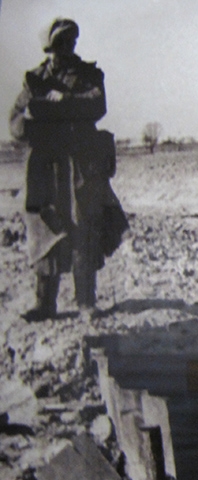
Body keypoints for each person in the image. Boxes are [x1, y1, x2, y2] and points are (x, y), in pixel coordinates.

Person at [9, 18, 127, 321]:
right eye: (58, 44)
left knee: (82, 226)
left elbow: (97, 105)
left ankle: (85, 301)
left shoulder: (88, 74)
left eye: (69, 42)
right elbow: (15, 117)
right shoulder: (34, 78)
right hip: (45, 166)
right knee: (45, 227)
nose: (64, 49)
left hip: (78, 165)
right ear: (48, 47)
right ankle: (45, 303)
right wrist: (30, 126)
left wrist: (63, 102)